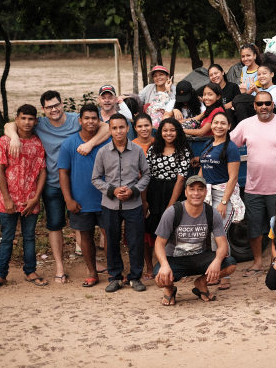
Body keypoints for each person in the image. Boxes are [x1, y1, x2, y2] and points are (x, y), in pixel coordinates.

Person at [4, 90, 111, 284]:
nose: (54, 109)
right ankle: (60, 267)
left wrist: (90, 144)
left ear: (62, 104)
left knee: (81, 224)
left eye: (56, 105)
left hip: (77, 183)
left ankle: (92, 264)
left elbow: (106, 128)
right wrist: (13, 137)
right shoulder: (40, 124)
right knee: (55, 226)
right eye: (49, 107)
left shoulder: (75, 120)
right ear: (43, 110)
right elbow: (11, 124)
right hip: (52, 183)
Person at [230, 91, 276, 277]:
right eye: (259, 103)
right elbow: (228, 144)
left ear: (273, 105)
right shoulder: (245, 125)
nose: (264, 107)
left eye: (267, 103)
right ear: (254, 106)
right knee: (253, 227)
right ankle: (258, 263)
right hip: (254, 188)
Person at [0, 104, 47, 291]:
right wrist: (6, 198)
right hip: (9, 199)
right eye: (23, 118)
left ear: (36, 121)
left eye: (31, 119)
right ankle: (1, 275)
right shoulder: (5, 141)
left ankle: (30, 271)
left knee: (29, 237)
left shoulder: (37, 143)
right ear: (17, 119)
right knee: (7, 238)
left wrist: (36, 198)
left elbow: (43, 171)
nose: (27, 122)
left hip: (30, 199)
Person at [153, 175, 237, 305]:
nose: (196, 193)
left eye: (200, 189)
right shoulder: (173, 212)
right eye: (191, 189)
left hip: (200, 257)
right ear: (185, 192)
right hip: (175, 259)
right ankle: (170, 289)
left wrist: (217, 261)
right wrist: (164, 265)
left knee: (230, 263)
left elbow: (222, 245)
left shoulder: (212, 213)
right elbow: (159, 243)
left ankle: (201, 283)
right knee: (159, 278)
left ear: (205, 192)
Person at [91, 113, 151, 293]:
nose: (118, 131)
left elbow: (146, 174)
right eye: (114, 128)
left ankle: (135, 277)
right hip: (110, 205)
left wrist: (133, 190)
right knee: (112, 241)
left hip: (133, 205)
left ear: (127, 128)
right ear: (109, 130)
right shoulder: (102, 152)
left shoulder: (137, 150)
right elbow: (95, 178)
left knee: (135, 241)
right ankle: (115, 277)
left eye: (122, 127)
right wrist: (112, 190)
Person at [58, 104, 111, 287]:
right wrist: (68, 199)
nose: (90, 121)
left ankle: (114, 270)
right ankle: (92, 272)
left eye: (94, 118)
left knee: (110, 235)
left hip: (106, 199)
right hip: (81, 200)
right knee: (86, 237)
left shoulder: (106, 141)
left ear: (99, 120)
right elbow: (63, 172)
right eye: (86, 118)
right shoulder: (70, 143)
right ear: (80, 120)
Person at [143, 118, 193, 281]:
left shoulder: (183, 151)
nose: (168, 133)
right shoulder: (153, 149)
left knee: (174, 231)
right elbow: (146, 175)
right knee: (150, 229)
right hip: (154, 191)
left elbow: (180, 180)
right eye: (165, 130)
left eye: (172, 130)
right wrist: (145, 200)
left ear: (177, 132)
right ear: (160, 132)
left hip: (174, 192)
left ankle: (175, 267)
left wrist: (170, 206)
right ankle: (151, 266)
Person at [198, 111, 244, 290]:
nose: (218, 126)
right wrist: (197, 190)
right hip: (207, 194)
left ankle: (226, 275)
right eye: (215, 123)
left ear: (229, 126)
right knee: (209, 236)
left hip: (222, 195)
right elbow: (203, 169)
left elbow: (233, 178)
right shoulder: (209, 144)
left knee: (220, 235)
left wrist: (224, 202)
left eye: (222, 123)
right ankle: (214, 272)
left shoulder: (230, 147)